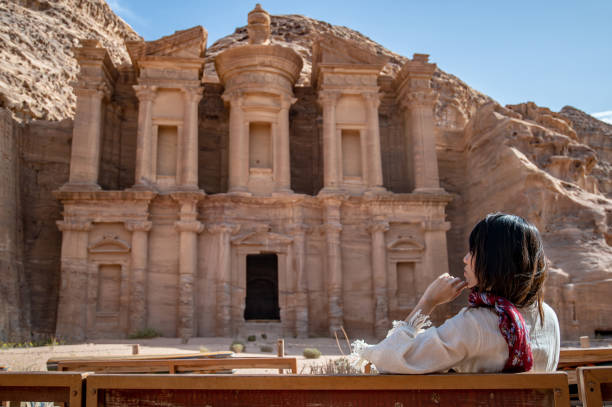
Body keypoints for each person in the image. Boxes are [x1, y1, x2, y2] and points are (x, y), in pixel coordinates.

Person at [352, 213, 560, 373]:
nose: (465, 259)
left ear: (494, 261)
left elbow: (388, 359)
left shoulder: (475, 325)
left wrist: (427, 302)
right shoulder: (548, 318)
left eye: (473, 252)